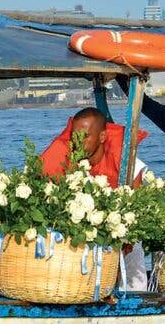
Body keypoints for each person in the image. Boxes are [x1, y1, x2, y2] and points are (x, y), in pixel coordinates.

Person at [39, 107, 149, 291]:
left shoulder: (122, 157)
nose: (78, 142)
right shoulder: (67, 156)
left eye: (86, 136)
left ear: (102, 137)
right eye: (75, 136)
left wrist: (128, 237)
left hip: (123, 230)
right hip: (86, 236)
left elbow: (137, 199)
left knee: (133, 260)